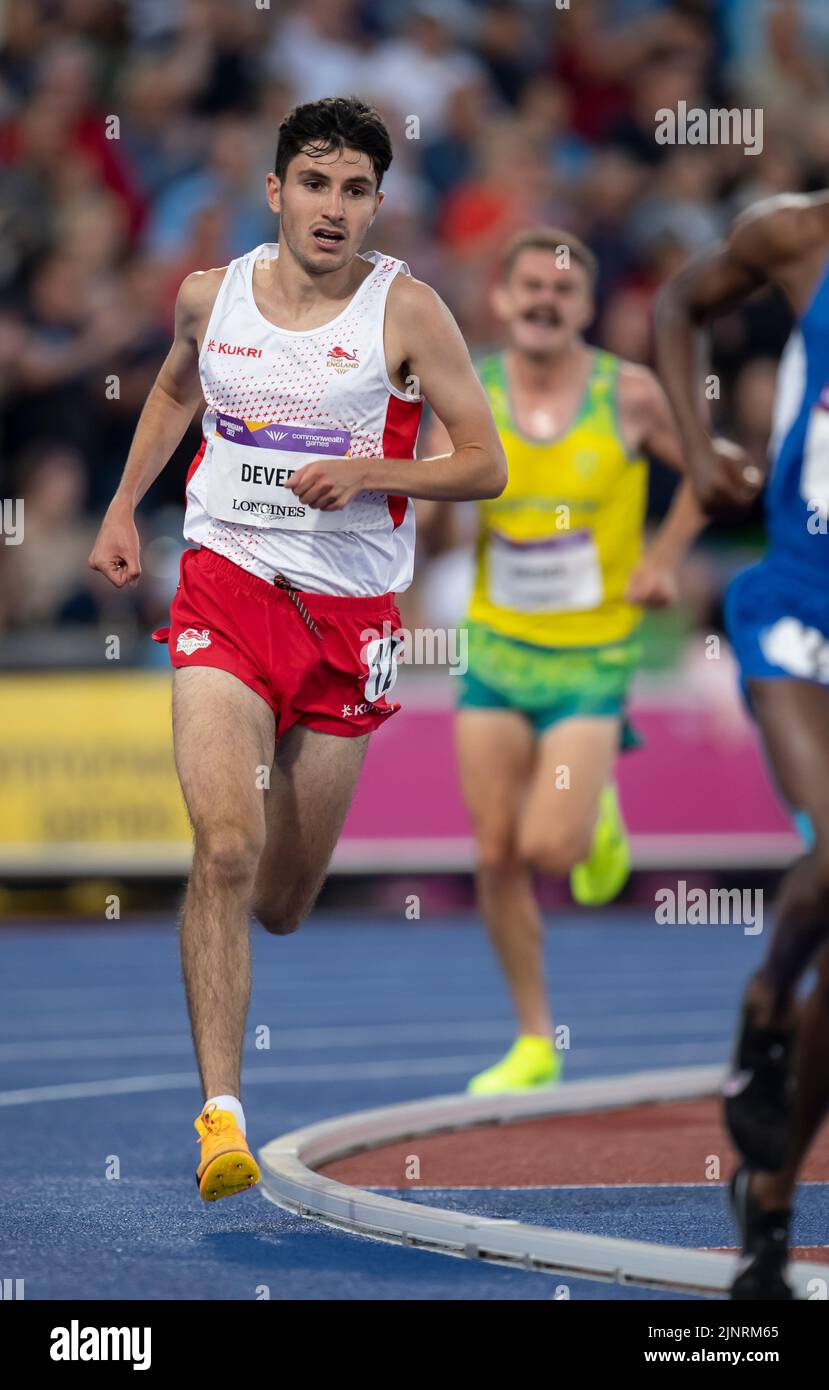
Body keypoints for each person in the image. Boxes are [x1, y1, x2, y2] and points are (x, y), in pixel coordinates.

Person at [88, 96, 506, 1202]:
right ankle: (221, 1116)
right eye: (315, 183)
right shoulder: (207, 295)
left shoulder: (406, 310)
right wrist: (124, 505)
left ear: (377, 205)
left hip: (348, 622)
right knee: (225, 846)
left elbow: (485, 464)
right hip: (224, 589)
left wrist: (372, 471)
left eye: (355, 190)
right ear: (275, 191)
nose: (333, 207)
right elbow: (175, 385)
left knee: (280, 900)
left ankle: (260, 908)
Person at [420, 227, 704, 1096]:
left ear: (585, 305)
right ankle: (534, 1039)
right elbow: (433, 502)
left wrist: (663, 557)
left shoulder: (630, 394)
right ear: (501, 299)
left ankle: (596, 807)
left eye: (562, 290)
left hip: (591, 657)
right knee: (494, 852)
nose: (544, 302)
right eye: (530, 288)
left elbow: (712, 472)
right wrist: (425, 507)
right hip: (495, 648)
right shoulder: (469, 391)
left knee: (550, 847)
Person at [656, 190, 829, 1299]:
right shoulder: (800, 236)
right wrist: (695, 445)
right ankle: (766, 998)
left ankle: (765, 1202)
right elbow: (678, 302)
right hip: (798, 605)